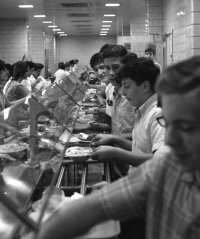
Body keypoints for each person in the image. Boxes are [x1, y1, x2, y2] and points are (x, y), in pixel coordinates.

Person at [36, 56, 200, 239]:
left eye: (186, 127)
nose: (171, 139)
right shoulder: (168, 167)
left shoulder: (154, 117)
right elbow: (94, 207)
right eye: (167, 123)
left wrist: (115, 150)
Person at [90, 57, 164, 167]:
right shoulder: (142, 110)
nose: (123, 92)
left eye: (127, 86)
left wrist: (116, 153)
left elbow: (161, 160)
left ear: (145, 86)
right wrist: (114, 138)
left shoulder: (158, 114)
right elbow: (139, 148)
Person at [4, 61, 29, 128]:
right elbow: (29, 98)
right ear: (22, 72)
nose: (28, 73)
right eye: (27, 71)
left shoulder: (12, 82)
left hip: (10, 115)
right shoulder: (18, 86)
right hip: (15, 117)